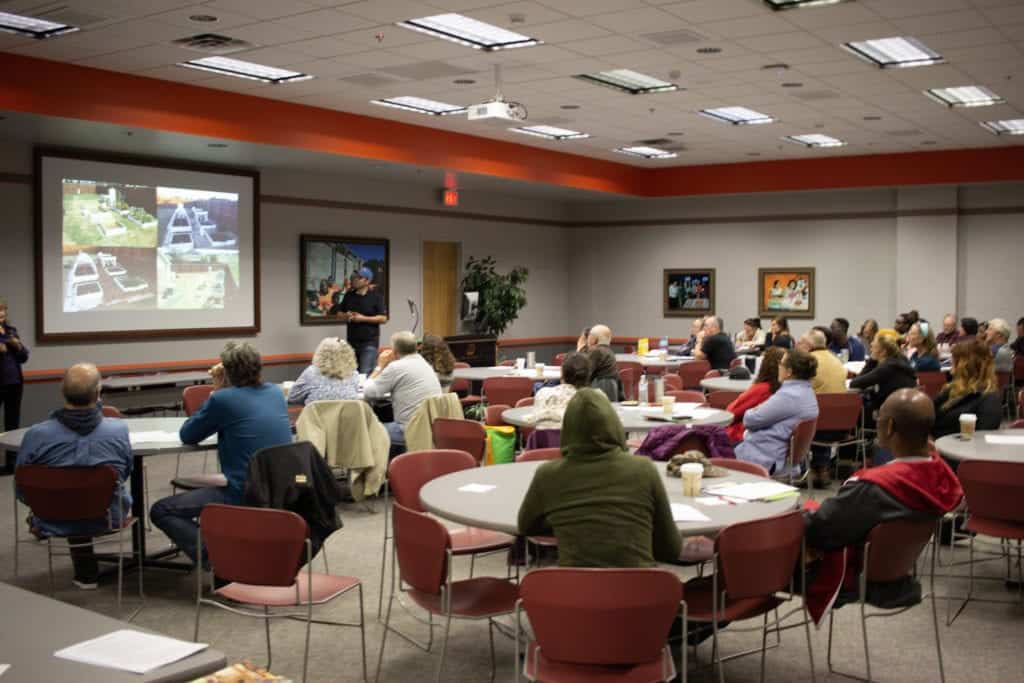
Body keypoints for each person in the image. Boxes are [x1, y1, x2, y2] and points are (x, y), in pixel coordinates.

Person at [803, 389, 963, 616]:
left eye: (879, 417)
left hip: (855, 578)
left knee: (757, 555)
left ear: (889, 427)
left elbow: (820, 528)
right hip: (899, 572)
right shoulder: (940, 477)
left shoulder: (874, 487)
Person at [151, 342, 292, 567]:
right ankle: (228, 555)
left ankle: (220, 558)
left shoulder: (223, 399)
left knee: (162, 510)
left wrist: (217, 389)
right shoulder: (275, 393)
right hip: (281, 488)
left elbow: (188, 434)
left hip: (242, 491)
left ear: (227, 372)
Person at [517, 388, 682, 567]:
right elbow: (671, 549)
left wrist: (569, 521)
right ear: (614, 425)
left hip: (574, 591)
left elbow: (526, 525)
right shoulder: (644, 470)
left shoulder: (548, 475)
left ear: (567, 429)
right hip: (637, 591)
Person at [16, 363, 131, 589]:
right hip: (107, 516)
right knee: (91, 494)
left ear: (62, 392)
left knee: (71, 496)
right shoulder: (118, 430)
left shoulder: (36, 435)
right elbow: (125, 472)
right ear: (99, 393)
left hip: (51, 517)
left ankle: (85, 573)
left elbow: (22, 488)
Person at [735, 349, 819, 477]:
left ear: (789, 371)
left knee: (714, 449)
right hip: (785, 458)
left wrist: (756, 409)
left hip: (767, 458)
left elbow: (749, 421)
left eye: (781, 363)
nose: (778, 366)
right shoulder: (807, 392)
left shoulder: (788, 396)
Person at [363, 331, 441, 456]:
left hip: (408, 429)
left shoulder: (396, 367)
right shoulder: (425, 363)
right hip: (430, 427)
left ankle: (381, 471)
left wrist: (379, 366)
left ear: (394, 351)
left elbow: (368, 392)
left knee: (367, 430)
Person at [850, 333, 917, 439]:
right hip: (908, 408)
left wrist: (871, 360)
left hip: (891, 411)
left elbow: (855, 383)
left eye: (874, 346)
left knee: (858, 406)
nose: (871, 347)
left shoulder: (887, 367)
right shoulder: (901, 360)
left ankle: (859, 443)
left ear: (883, 352)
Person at [932, 339, 1003, 439]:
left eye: (954, 359)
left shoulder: (989, 399)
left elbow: (981, 440)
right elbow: (930, 410)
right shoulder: (953, 388)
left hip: (953, 450)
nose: (950, 362)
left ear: (965, 365)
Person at [724, 346, 785, 444]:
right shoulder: (785, 390)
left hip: (744, 436)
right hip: (769, 438)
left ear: (764, 365)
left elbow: (730, 413)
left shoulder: (762, 389)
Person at [336, 266, 387, 375]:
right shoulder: (349, 295)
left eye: (359, 277)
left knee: (365, 374)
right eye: (354, 277)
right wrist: (346, 315)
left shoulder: (376, 297)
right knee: (351, 375)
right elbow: (339, 314)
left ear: (367, 281)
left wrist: (363, 318)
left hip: (369, 343)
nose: (354, 279)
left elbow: (383, 318)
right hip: (351, 342)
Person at [0, 300, 29, 474]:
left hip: (14, 382)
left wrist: (14, 344)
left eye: (3, 311)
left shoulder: (11, 331)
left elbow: (24, 356)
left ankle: (12, 463)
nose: (2, 314)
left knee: (13, 423)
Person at [288, 337, 360, 406]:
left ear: (321, 353)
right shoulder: (353, 374)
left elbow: (292, 397)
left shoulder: (311, 372)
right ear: (349, 354)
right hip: (347, 418)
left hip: (316, 418)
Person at [527, 352, 590, 428]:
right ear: (588, 375)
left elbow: (534, 423)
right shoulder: (595, 401)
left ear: (562, 372)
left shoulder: (542, 393)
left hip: (545, 439)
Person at [798, 329, 847, 394]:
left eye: (800, 343)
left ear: (807, 345)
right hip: (842, 402)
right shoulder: (836, 359)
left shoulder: (807, 361)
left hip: (817, 402)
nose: (797, 345)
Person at [585, 324, 623, 402]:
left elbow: (586, 373)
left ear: (594, 339)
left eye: (589, 336)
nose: (587, 338)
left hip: (600, 390)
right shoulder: (609, 352)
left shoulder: (596, 352)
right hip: (612, 390)